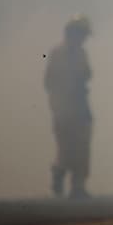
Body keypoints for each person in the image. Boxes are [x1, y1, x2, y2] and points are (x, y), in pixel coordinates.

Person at [44, 15, 93, 199]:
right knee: (67, 147)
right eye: (82, 34)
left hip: (77, 106)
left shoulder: (79, 53)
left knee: (81, 146)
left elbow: (87, 75)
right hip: (66, 107)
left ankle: (76, 185)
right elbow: (49, 81)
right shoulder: (59, 54)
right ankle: (62, 175)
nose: (83, 38)